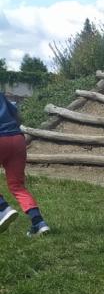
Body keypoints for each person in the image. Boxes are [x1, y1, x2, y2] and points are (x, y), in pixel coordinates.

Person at [0, 91, 50, 237]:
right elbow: (17, 115)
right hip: (17, 139)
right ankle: (38, 223)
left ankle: (3, 208)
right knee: (17, 186)